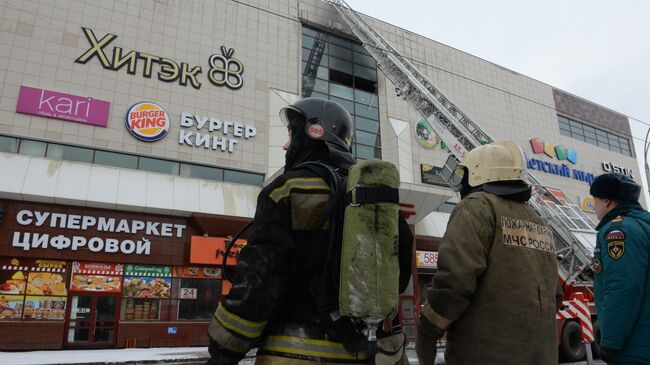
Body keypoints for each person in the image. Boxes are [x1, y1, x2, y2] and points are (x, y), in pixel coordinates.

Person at [206, 97, 413, 365]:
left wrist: (224, 349)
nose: (285, 145)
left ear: (313, 131)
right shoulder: (377, 200)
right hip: (367, 352)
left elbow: (260, 280)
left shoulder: (285, 190)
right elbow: (400, 273)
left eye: (290, 134)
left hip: (293, 352)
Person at [416, 141, 561, 365]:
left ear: (476, 172)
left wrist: (428, 330)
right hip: (541, 355)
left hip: (485, 354)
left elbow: (455, 281)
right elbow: (555, 295)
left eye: (463, 176)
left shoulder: (477, 206)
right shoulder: (539, 220)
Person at [590, 172, 650, 364]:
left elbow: (623, 287)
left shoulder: (618, 231)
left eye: (595, 200)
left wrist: (611, 342)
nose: (593, 206)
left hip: (635, 345)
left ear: (607, 201)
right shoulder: (643, 225)